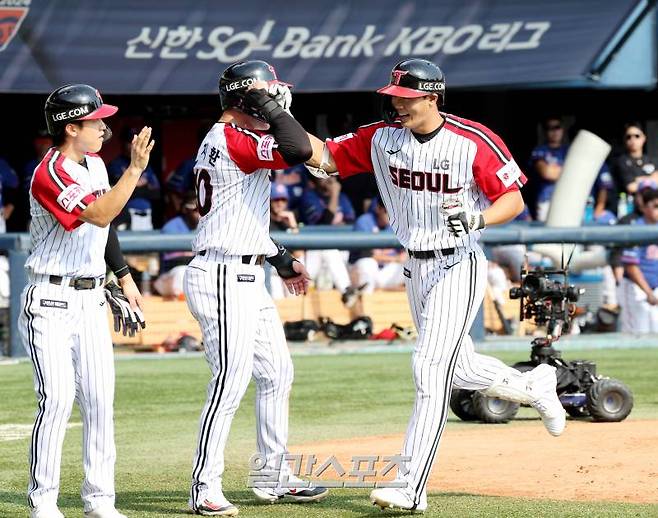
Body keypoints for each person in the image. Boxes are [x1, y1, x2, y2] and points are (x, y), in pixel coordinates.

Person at [304, 58, 565, 513]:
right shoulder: (381, 138)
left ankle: (411, 486)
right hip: (415, 267)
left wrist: (480, 216)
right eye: (392, 97)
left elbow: (514, 198)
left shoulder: (473, 139)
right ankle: (534, 386)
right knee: (457, 368)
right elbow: (324, 155)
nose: (396, 105)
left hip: (457, 264)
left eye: (405, 98)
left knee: (428, 368)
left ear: (432, 97)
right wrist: (277, 117)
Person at [183, 60, 328, 516]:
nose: (276, 100)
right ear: (248, 99)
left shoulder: (236, 139)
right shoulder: (231, 138)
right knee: (230, 382)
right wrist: (264, 103)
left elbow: (241, 217)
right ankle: (204, 487)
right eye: (267, 95)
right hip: (222, 274)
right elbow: (298, 147)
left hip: (244, 270)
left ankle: (273, 476)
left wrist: (281, 258)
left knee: (276, 373)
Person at [18, 84, 154, 518]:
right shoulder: (51, 172)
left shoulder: (93, 163)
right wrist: (133, 170)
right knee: (56, 400)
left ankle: (100, 501)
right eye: (95, 121)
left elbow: (105, 227)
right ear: (71, 126)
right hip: (51, 298)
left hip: (92, 297)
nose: (104, 127)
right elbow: (98, 214)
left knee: (99, 399)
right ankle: (44, 503)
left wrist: (124, 277)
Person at [618, 187, 658, 333]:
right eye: (655, 206)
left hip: (655, 287)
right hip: (635, 289)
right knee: (637, 333)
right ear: (644, 207)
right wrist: (648, 293)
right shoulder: (636, 229)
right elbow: (631, 267)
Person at [107, 126, 161, 230]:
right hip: (125, 214)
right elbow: (116, 191)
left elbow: (156, 193)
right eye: (129, 142)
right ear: (123, 143)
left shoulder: (145, 164)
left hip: (147, 213)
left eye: (135, 142)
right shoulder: (115, 165)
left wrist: (134, 186)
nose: (133, 145)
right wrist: (142, 186)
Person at [351, 197, 405, 293]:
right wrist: (395, 258)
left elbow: (404, 255)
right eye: (387, 211)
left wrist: (400, 258)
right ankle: (367, 300)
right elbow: (368, 255)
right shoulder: (364, 221)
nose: (391, 215)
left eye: (394, 212)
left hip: (383, 272)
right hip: (360, 270)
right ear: (378, 209)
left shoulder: (396, 225)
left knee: (409, 265)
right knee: (369, 264)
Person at [153, 192, 200, 299]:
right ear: (185, 210)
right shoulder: (171, 226)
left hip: (194, 275)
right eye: (194, 211)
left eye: (199, 211)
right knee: (182, 271)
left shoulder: (204, 226)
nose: (198, 214)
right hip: (167, 278)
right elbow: (175, 259)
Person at [611, 123, 658, 201]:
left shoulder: (653, 160)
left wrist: (639, 180)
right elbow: (631, 187)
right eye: (628, 137)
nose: (633, 140)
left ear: (644, 138)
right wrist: (651, 179)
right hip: (631, 205)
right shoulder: (621, 161)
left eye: (637, 136)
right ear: (624, 140)